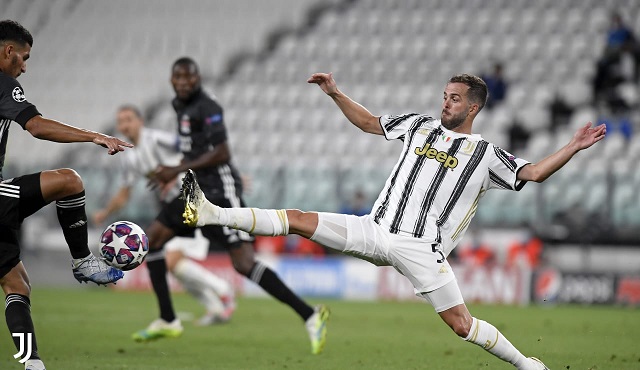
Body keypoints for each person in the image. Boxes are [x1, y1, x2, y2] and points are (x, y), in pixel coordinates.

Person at [182, 72, 607, 370]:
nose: (446, 102)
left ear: (474, 106)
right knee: (298, 218)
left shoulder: (486, 154)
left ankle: (526, 364)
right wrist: (335, 93)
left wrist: (572, 146)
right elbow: (369, 122)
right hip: (373, 228)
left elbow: (531, 173)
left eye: (455, 98)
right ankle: (211, 212)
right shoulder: (419, 126)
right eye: (444, 95)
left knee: (461, 325)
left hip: (421, 249)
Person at [133, 57, 329, 355]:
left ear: (197, 79)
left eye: (189, 78)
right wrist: (176, 170)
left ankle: (310, 315)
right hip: (193, 189)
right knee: (154, 240)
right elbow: (194, 149)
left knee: (244, 263)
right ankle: (168, 318)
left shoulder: (208, 107)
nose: (184, 83)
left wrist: (175, 170)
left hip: (220, 193)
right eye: (178, 78)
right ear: (172, 80)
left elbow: (222, 152)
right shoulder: (178, 105)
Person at [0, 20, 132, 370]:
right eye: (23, 58)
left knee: (16, 282)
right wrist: (94, 136)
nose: (24, 67)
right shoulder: (3, 83)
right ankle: (82, 260)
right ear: (7, 51)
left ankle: (33, 365)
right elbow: (37, 125)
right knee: (70, 181)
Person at [93, 105, 236, 326]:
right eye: (121, 121)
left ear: (140, 120)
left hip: (192, 198)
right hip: (172, 207)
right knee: (176, 267)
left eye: (129, 119)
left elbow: (195, 150)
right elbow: (124, 194)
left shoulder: (159, 139)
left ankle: (223, 291)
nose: (124, 125)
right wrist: (105, 212)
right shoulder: (129, 157)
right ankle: (216, 307)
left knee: (170, 261)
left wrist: (227, 176)